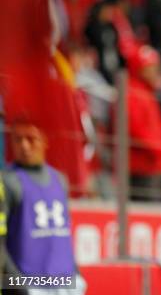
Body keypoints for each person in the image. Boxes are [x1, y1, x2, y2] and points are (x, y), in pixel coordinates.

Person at [2, 117, 86, 294]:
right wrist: (19, 286)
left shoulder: (60, 180)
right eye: (18, 139)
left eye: (31, 139)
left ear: (45, 140)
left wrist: (76, 275)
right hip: (31, 284)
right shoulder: (7, 182)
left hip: (65, 282)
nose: (24, 146)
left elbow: (63, 234)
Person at [125, 45, 161, 201]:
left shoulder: (146, 92)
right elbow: (135, 128)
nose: (156, 72)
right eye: (151, 67)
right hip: (142, 168)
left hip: (153, 166)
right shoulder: (133, 92)